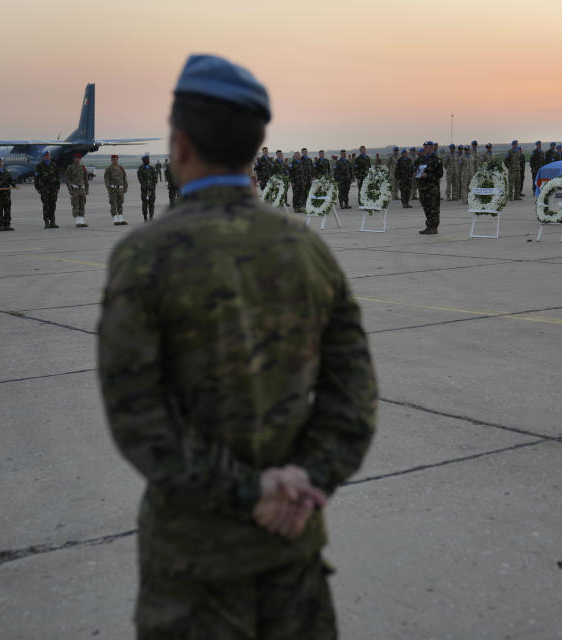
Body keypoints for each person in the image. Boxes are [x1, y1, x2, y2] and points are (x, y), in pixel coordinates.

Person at [97, 53, 377, 640]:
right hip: (292, 544)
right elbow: (354, 395)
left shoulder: (146, 257)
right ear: (256, 147)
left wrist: (249, 492)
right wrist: (307, 481)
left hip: (195, 558)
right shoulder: (305, 249)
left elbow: (138, 418)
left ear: (180, 144)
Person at [415, 140, 443, 234]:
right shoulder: (421, 158)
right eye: (424, 146)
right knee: (426, 207)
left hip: (432, 188)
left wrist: (427, 176)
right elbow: (415, 167)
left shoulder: (436, 159)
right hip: (423, 188)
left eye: (427, 146)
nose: (425, 148)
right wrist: (416, 172)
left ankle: (434, 227)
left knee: (433, 208)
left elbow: (439, 174)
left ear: (431, 147)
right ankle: (429, 226)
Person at [34, 151, 61, 229]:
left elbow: (57, 176)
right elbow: (36, 178)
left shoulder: (54, 164)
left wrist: (58, 186)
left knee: (53, 205)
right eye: (46, 155)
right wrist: (38, 188)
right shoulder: (39, 166)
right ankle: (46, 222)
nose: (47, 156)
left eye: (48, 155)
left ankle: (53, 222)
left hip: (53, 189)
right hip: (44, 189)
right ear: (43, 157)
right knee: (46, 206)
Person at [65, 153, 90, 228]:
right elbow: (68, 179)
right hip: (75, 189)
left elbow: (85, 179)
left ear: (80, 159)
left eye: (78, 158)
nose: (77, 159)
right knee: (76, 205)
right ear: (73, 159)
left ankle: (82, 221)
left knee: (82, 205)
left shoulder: (83, 167)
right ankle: (77, 222)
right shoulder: (70, 167)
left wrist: (87, 189)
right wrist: (70, 189)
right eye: (76, 158)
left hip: (82, 189)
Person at [104, 155, 129, 225]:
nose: (115, 161)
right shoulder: (109, 169)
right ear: (111, 160)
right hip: (113, 189)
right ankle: (115, 220)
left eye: (116, 159)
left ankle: (121, 219)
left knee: (120, 204)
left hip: (120, 189)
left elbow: (124, 178)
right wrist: (109, 188)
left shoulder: (121, 168)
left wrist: (125, 187)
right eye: (114, 159)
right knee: (113, 204)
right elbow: (106, 180)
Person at [137, 153, 158, 222]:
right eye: (146, 159)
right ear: (143, 160)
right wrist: (146, 186)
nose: (148, 160)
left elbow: (155, 178)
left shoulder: (152, 168)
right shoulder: (140, 169)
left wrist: (152, 186)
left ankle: (151, 217)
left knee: (152, 204)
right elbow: (140, 179)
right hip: (144, 190)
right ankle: (145, 217)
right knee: (145, 205)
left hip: (152, 190)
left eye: (148, 159)